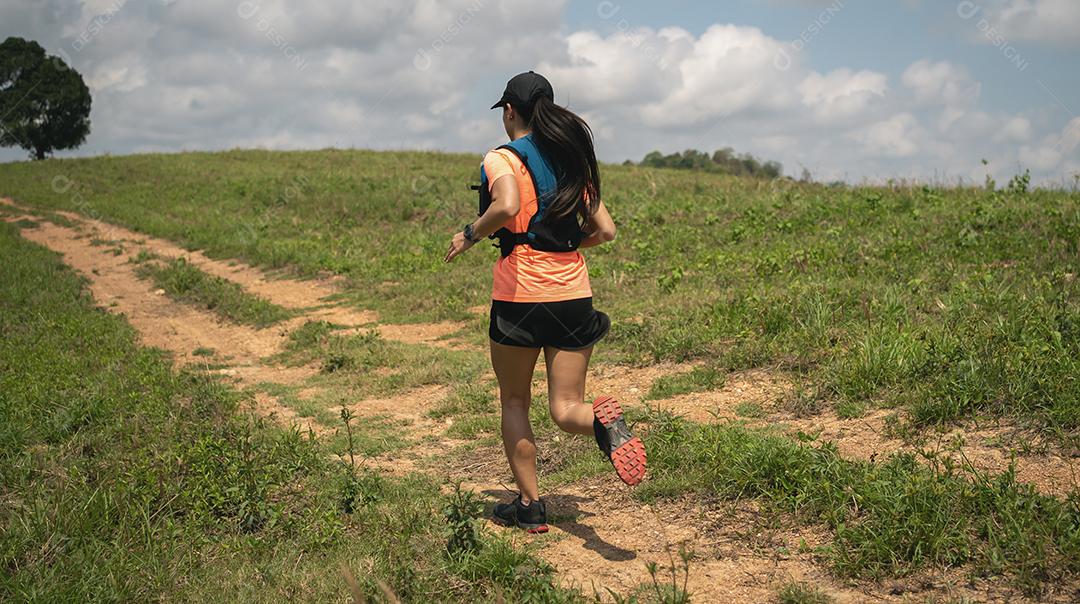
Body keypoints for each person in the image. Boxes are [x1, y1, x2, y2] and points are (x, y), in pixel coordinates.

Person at [444, 71, 647, 534]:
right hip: (574, 296)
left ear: (509, 112)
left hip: (520, 299)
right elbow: (607, 231)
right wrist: (567, 245)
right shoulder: (572, 161)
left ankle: (531, 507)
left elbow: (508, 205)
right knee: (566, 407)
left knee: (515, 400)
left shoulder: (501, 159)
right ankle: (603, 427)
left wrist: (470, 234)